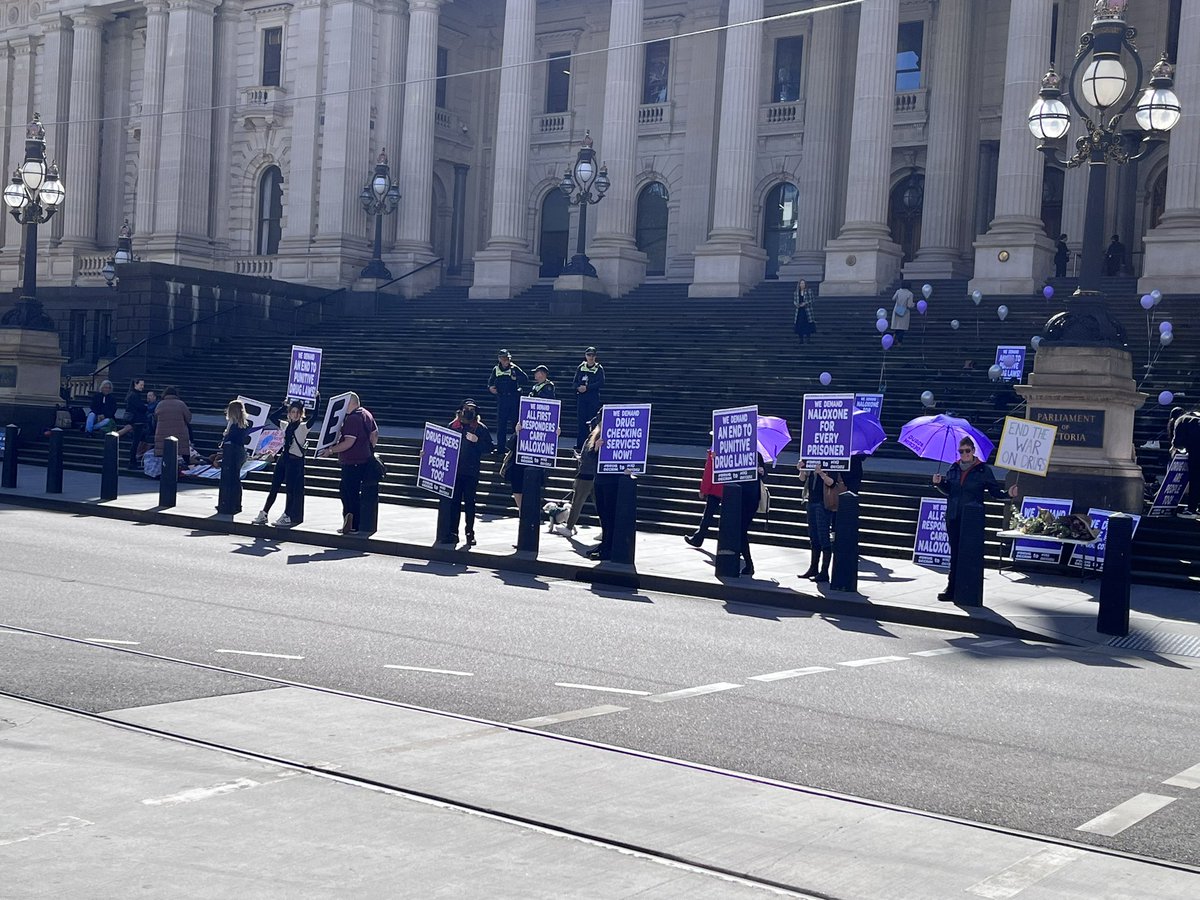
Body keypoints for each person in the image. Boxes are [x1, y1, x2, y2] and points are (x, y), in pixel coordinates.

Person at [932, 438, 1018, 602]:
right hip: (954, 516)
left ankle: (966, 588)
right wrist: (939, 484)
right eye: (961, 451)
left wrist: (1008, 494)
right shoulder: (954, 468)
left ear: (973, 451)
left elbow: (995, 492)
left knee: (969, 554)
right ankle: (951, 587)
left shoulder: (983, 470)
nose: (964, 454)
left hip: (972, 520)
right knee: (955, 553)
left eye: (967, 451)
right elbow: (950, 490)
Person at [318, 392, 378, 534]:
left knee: (349, 493)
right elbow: (375, 434)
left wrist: (331, 450)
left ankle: (352, 524)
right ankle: (350, 522)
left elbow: (349, 442)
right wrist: (368, 449)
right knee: (349, 491)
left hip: (351, 462)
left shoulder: (352, 419)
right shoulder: (366, 414)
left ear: (350, 403)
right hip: (363, 460)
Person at [438, 399, 494, 545]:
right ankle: (452, 532)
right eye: (466, 408)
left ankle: (470, 533)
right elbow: (441, 445)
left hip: (471, 472)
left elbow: (489, 448)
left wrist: (477, 441)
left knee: (470, 503)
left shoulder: (480, 428)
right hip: (454, 472)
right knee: (454, 503)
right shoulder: (453, 426)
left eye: (472, 409)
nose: (468, 411)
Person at [252, 400, 315, 528]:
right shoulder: (285, 425)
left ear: (301, 414)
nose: (295, 415)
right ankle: (264, 513)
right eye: (293, 412)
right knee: (274, 486)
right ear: (289, 414)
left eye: (298, 412)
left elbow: (315, 417)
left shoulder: (303, 427)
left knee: (290, 489)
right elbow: (272, 417)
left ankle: (287, 515)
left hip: (294, 461)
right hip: (284, 458)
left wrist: (317, 400)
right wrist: (283, 406)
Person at [797, 460, 839, 582]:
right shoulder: (809, 459)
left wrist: (821, 473)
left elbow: (832, 482)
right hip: (811, 501)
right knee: (813, 536)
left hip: (823, 503)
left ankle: (824, 572)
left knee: (823, 536)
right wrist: (801, 469)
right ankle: (813, 567)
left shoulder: (831, 462)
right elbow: (802, 479)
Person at [564, 419, 602, 535]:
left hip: (586, 474)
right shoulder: (597, 436)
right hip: (595, 475)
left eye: (591, 425)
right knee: (600, 505)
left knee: (577, 503)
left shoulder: (594, 437)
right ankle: (605, 530)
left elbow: (588, 457)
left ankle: (569, 528)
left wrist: (582, 457)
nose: (590, 427)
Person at [487, 350, 528, 455]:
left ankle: (516, 447)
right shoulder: (496, 370)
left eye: (508, 359)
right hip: (502, 399)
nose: (507, 361)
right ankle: (501, 448)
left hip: (513, 398)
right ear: (500, 359)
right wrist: (491, 388)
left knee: (515, 423)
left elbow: (525, 378)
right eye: (504, 359)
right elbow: (490, 382)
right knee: (501, 424)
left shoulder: (514, 368)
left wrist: (516, 378)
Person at [684, 448, 723, 547]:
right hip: (731, 489)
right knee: (730, 518)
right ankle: (731, 544)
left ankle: (698, 539)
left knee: (707, 516)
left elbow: (708, 472)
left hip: (715, 488)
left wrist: (703, 489)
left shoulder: (714, 450)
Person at [219, 399, 252, 514]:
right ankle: (236, 503)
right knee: (236, 478)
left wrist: (225, 435)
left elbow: (230, 439)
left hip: (234, 452)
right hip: (240, 451)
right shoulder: (243, 423)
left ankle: (230, 502)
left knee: (232, 478)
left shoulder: (234, 425)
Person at [1169, 407, 1200, 519]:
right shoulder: (1195, 417)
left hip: (1197, 451)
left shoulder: (1180, 420)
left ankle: (1191, 510)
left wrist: (1175, 448)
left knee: (1196, 479)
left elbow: (1177, 442)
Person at [572, 347, 604, 451]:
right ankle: (580, 444)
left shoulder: (599, 369)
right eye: (588, 355)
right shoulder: (581, 367)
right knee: (581, 422)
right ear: (585, 356)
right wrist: (578, 387)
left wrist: (588, 387)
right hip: (582, 398)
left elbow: (601, 382)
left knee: (592, 422)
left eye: (592, 355)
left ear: (595, 356)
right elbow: (574, 382)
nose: (590, 357)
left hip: (592, 398)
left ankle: (591, 444)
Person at [153, 386, 192, 462]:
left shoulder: (160, 405)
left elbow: (155, 418)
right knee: (183, 455)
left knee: (166, 461)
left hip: (162, 436)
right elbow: (188, 418)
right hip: (180, 436)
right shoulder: (181, 404)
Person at [123, 378, 150, 470]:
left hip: (135, 420)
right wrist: (145, 407)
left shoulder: (132, 394)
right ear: (135, 384)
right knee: (136, 442)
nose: (142, 387)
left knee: (138, 440)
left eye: (143, 385)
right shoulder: (134, 395)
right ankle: (132, 461)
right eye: (141, 385)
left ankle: (134, 460)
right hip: (137, 421)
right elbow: (141, 407)